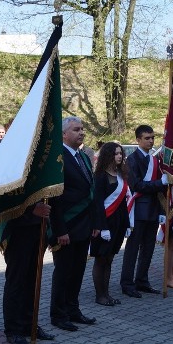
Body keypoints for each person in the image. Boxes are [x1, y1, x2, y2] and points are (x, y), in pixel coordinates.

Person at [48, 116, 98, 332]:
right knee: (63, 272)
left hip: (84, 225)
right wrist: (60, 229)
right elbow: (55, 198)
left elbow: (92, 193)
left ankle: (73, 309)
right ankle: (58, 314)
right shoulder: (57, 159)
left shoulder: (84, 157)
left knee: (78, 271)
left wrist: (96, 223)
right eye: (76, 129)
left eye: (83, 129)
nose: (81, 132)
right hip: (66, 227)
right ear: (64, 134)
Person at [121, 125, 169, 298]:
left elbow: (160, 189)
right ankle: (127, 283)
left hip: (153, 209)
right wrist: (160, 183)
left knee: (148, 248)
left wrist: (163, 209)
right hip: (138, 209)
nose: (150, 141)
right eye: (147, 138)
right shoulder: (132, 160)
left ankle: (142, 280)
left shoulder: (155, 160)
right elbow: (137, 185)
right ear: (138, 140)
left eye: (152, 138)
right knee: (133, 248)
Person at [0, 201, 56, 344]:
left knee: (33, 280)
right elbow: (6, 200)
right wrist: (31, 210)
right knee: (16, 281)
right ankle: (12, 330)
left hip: (38, 228)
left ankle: (29, 324)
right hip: (18, 230)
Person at [90, 142, 130, 306]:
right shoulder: (100, 176)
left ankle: (107, 294)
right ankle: (100, 295)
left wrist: (127, 224)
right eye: (115, 154)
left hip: (118, 224)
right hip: (104, 224)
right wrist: (102, 227)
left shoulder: (121, 175)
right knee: (101, 259)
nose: (119, 156)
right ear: (108, 155)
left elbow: (123, 203)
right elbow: (97, 204)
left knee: (110, 259)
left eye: (120, 153)